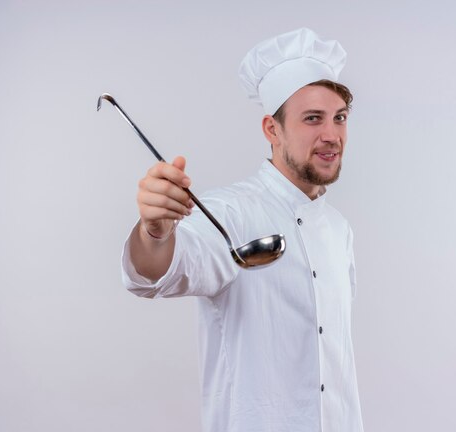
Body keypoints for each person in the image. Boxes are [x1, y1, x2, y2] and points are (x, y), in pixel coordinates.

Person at [122, 28, 364, 432]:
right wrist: (155, 231)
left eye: (339, 118)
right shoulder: (229, 212)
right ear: (272, 129)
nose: (331, 135)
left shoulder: (339, 229)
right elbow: (160, 273)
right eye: (312, 119)